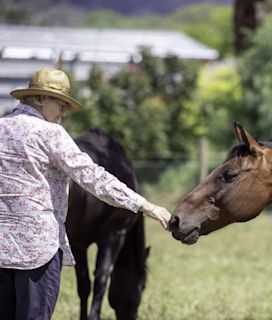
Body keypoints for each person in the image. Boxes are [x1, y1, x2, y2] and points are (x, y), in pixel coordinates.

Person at [0, 67, 171, 320]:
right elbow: (93, 177)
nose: (63, 112)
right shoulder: (51, 134)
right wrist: (146, 205)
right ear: (42, 98)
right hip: (37, 252)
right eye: (61, 103)